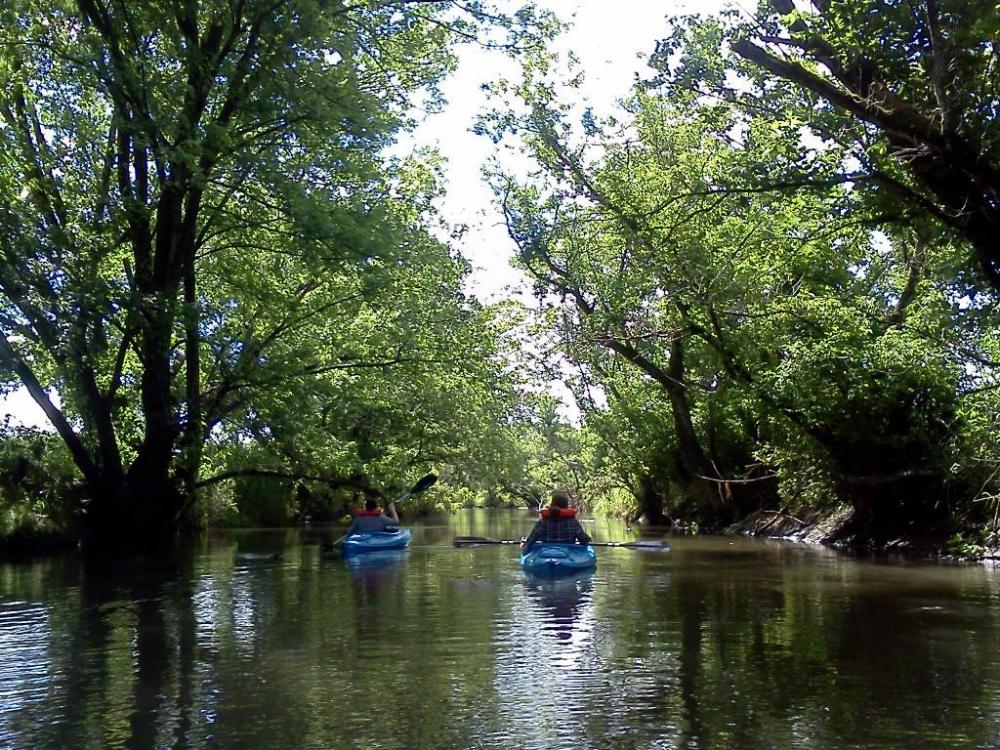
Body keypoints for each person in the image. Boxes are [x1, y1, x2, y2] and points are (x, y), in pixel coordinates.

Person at [521, 491, 591, 550]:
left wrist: (524, 544)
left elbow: (530, 540)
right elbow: (584, 540)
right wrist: (588, 539)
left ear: (552, 504)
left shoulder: (542, 522)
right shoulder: (573, 522)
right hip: (568, 552)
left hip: (546, 553)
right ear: (566, 506)